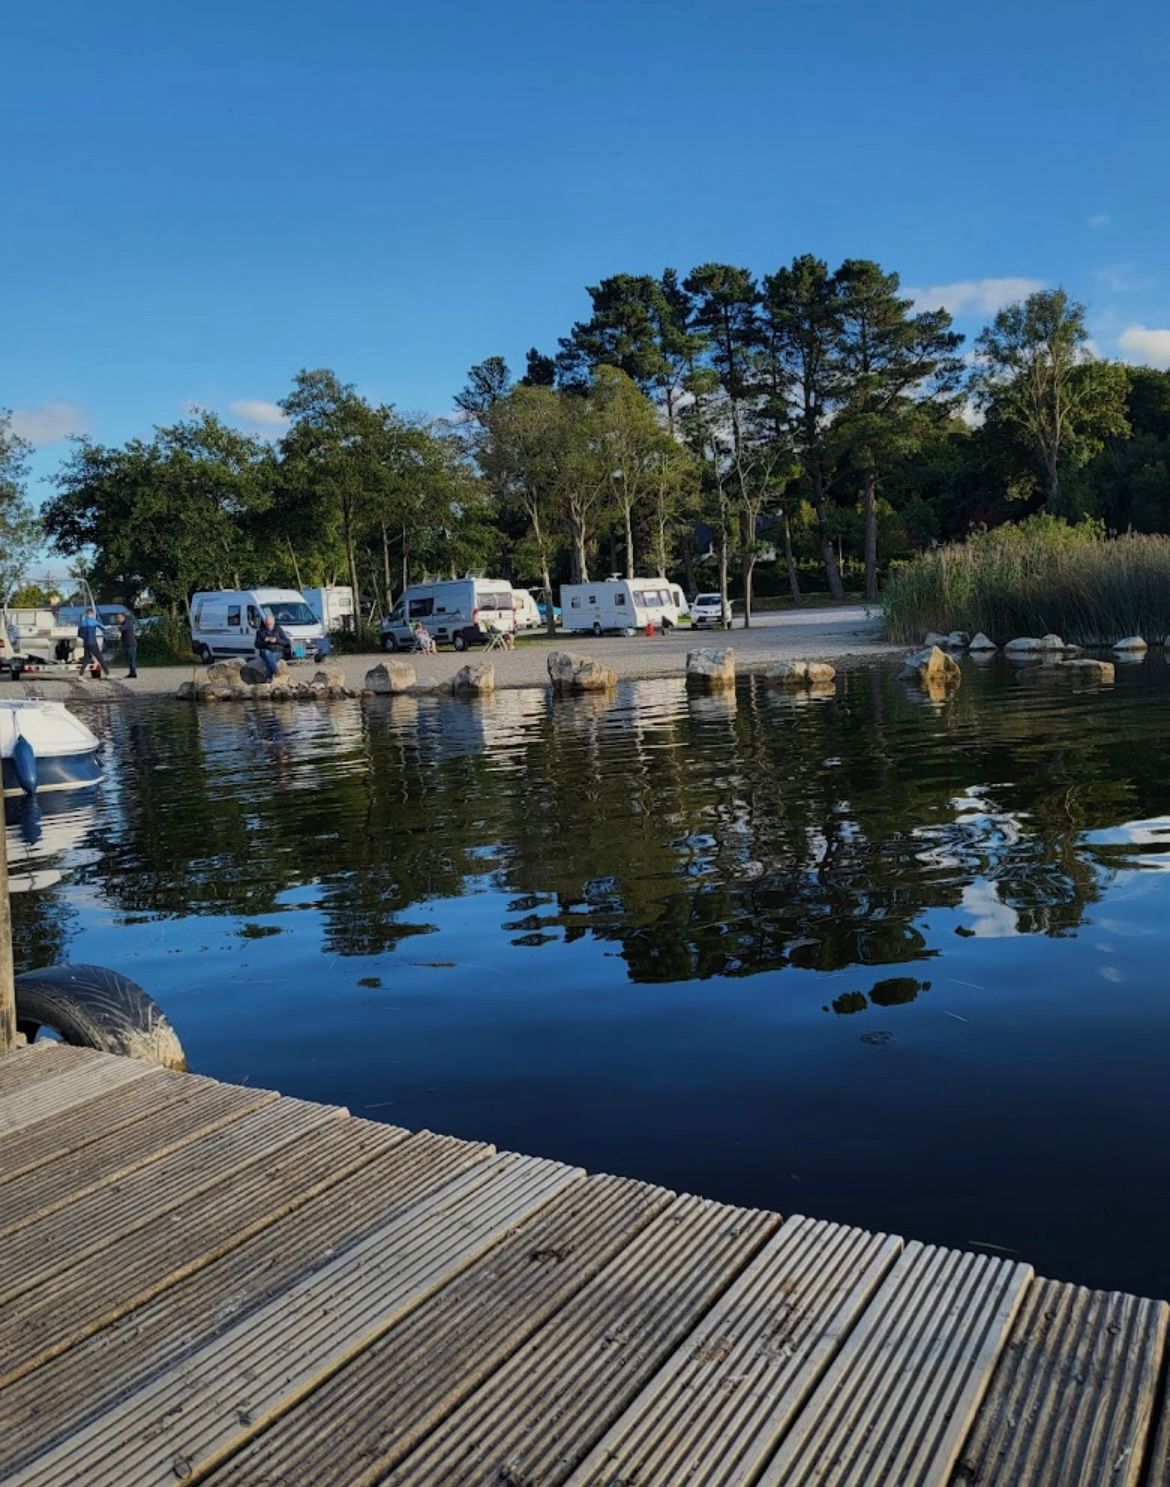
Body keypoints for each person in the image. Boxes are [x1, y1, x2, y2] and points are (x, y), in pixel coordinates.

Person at [255, 612, 290, 679]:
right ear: (265, 623)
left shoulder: (279, 629)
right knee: (267, 653)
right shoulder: (260, 631)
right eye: (267, 624)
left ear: (273, 622)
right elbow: (257, 645)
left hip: (277, 651)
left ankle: (268, 678)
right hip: (265, 650)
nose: (269, 626)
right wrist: (265, 641)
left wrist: (276, 640)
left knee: (270, 660)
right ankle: (276, 672)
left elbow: (286, 641)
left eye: (270, 624)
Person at [77, 607, 108, 679]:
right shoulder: (94, 621)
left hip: (86, 643)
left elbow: (79, 634)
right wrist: (109, 627)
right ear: (91, 613)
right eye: (93, 614)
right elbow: (103, 628)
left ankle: (80, 675)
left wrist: (85, 638)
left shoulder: (82, 623)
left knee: (86, 660)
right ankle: (108, 674)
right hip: (93, 643)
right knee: (100, 658)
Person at [115, 611, 138, 678]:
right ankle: (132, 673)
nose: (117, 619)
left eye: (118, 618)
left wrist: (116, 627)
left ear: (123, 617)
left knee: (132, 659)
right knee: (129, 660)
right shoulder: (124, 623)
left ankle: (133, 673)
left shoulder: (127, 623)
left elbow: (122, 628)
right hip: (127, 644)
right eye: (117, 618)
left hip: (131, 644)